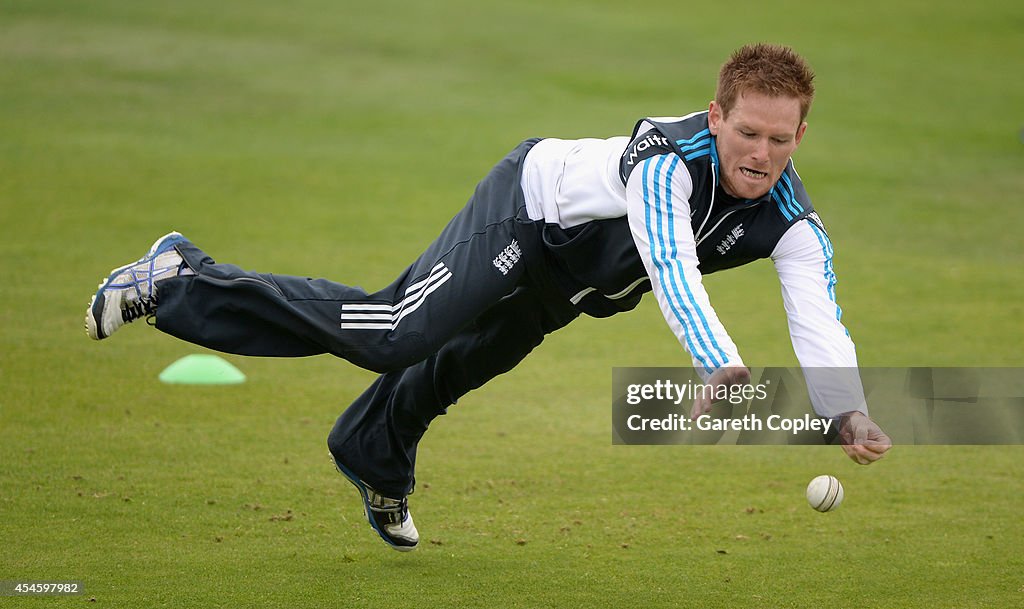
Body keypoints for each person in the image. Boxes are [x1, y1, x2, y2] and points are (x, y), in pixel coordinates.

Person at [85, 43, 892, 552]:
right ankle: (181, 277)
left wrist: (846, 408)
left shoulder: (795, 221)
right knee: (397, 330)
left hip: (567, 287)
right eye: (746, 131)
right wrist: (718, 363)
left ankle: (371, 452)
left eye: (779, 139)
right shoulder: (664, 161)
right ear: (716, 115)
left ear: (800, 137)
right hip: (525, 215)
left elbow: (817, 313)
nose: (759, 152)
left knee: (452, 369)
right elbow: (671, 261)